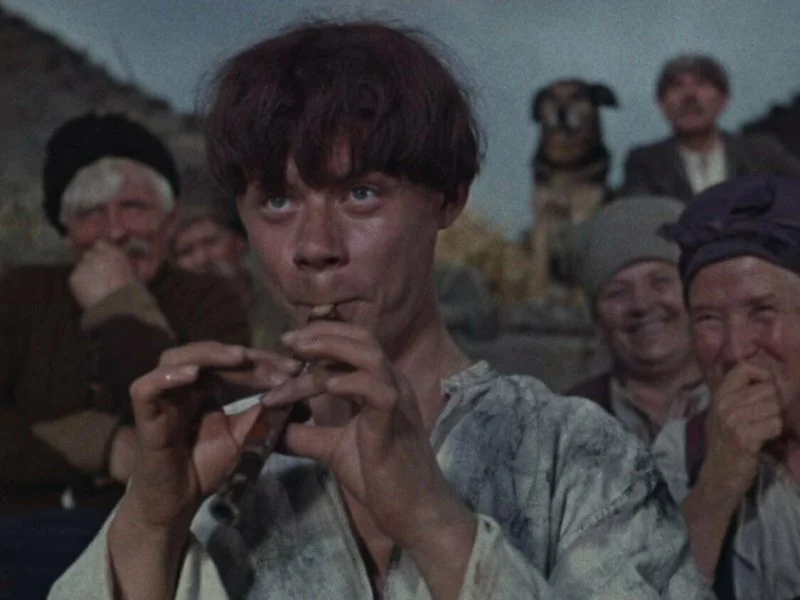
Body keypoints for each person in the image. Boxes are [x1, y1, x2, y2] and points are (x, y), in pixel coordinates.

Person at [51, 21, 711, 600]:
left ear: (449, 197)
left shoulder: (576, 452)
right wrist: (150, 523)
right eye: (278, 201)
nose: (315, 247)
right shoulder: (214, 465)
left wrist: (434, 523)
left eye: (361, 193)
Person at [0, 113, 250, 599]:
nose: (115, 231)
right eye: (91, 212)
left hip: (165, 537)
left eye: (134, 207)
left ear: (170, 221)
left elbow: (207, 427)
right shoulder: (20, 295)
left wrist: (119, 307)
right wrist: (103, 443)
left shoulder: (209, 301)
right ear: (67, 231)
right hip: (19, 537)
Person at [653, 176, 800, 598]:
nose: (736, 350)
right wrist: (717, 484)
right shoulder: (682, 454)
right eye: (709, 320)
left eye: (762, 311)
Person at [567, 196, 707, 443]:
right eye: (617, 292)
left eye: (660, 281)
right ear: (597, 321)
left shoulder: (749, 403)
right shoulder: (566, 422)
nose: (641, 304)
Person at [621, 54, 800, 202]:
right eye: (677, 85)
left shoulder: (761, 152)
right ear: (662, 104)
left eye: (702, 83)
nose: (689, 95)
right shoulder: (645, 162)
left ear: (723, 99)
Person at [171, 184, 287, 351]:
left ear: (239, 243)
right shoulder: (173, 325)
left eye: (211, 242)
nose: (202, 259)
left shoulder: (283, 306)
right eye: (186, 251)